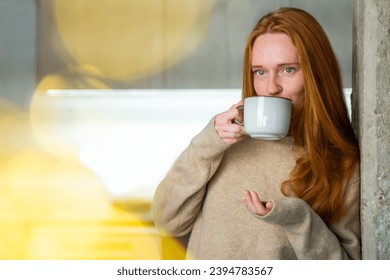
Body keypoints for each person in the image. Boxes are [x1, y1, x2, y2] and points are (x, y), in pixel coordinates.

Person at [152, 7, 360, 260]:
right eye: (260, 72)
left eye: (288, 69)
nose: (270, 88)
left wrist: (299, 218)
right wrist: (205, 146)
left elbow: (347, 269)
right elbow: (166, 222)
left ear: (316, 75)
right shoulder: (222, 144)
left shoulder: (342, 164)